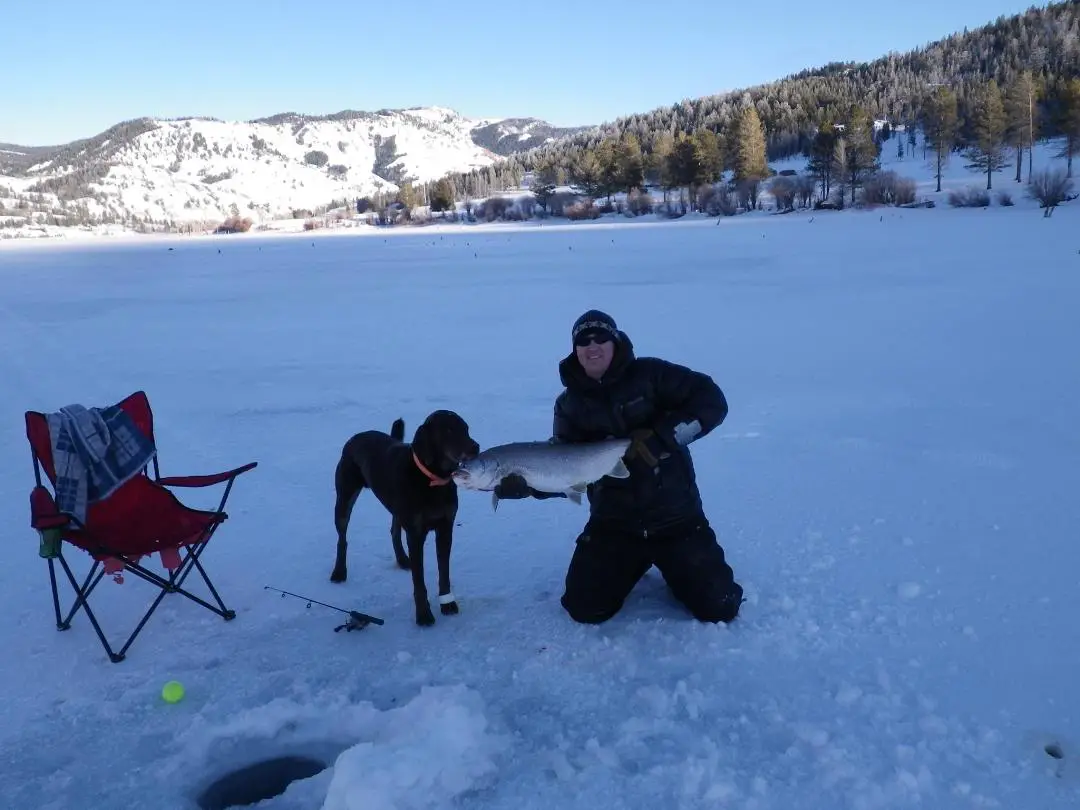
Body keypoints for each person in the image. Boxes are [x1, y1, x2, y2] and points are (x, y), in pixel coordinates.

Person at [494, 309, 744, 625]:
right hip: (614, 524)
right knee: (584, 608)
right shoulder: (569, 405)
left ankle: (677, 566)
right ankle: (633, 563)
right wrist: (530, 485)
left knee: (720, 607)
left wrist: (660, 439)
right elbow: (568, 473)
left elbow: (712, 401)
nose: (592, 346)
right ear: (575, 350)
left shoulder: (652, 374)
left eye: (601, 338)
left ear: (616, 342)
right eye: (583, 341)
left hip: (676, 518)